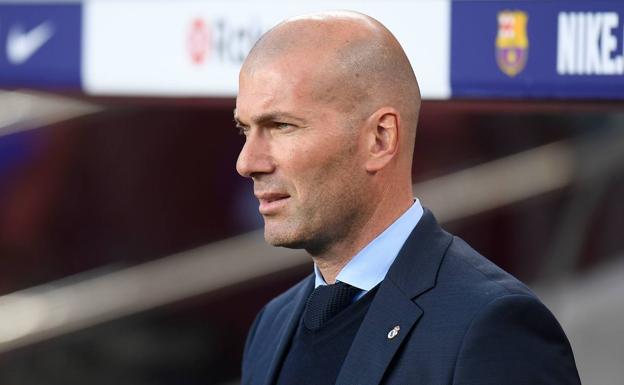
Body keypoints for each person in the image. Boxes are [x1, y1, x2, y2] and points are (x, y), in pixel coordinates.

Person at [234, 10, 581, 385]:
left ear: (380, 138)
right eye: (244, 129)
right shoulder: (271, 325)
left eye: (281, 126)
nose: (247, 162)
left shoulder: (493, 327)